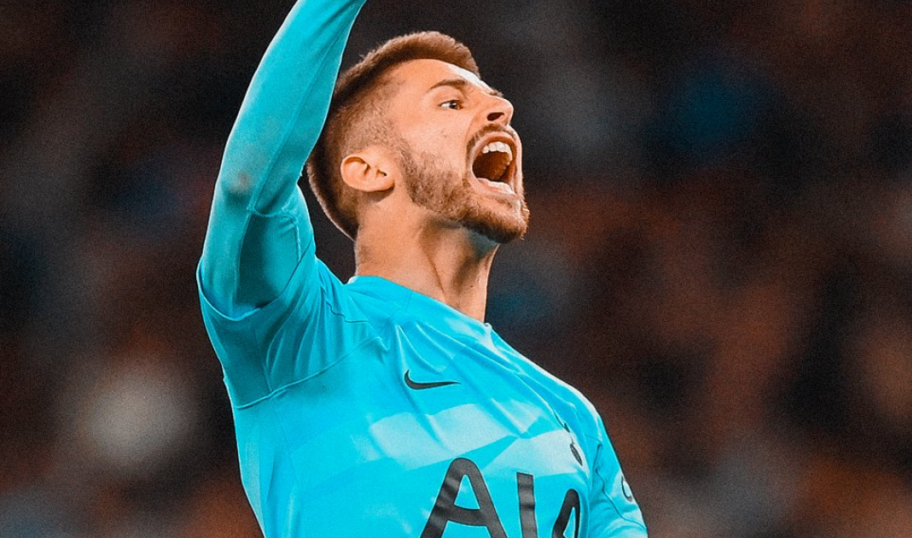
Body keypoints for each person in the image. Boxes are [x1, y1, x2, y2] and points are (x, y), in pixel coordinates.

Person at [196, 0, 648, 536]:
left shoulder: (569, 414)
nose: (500, 113)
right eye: (452, 104)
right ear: (369, 169)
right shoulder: (302, 338)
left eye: (498, 103)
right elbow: (251, 187)